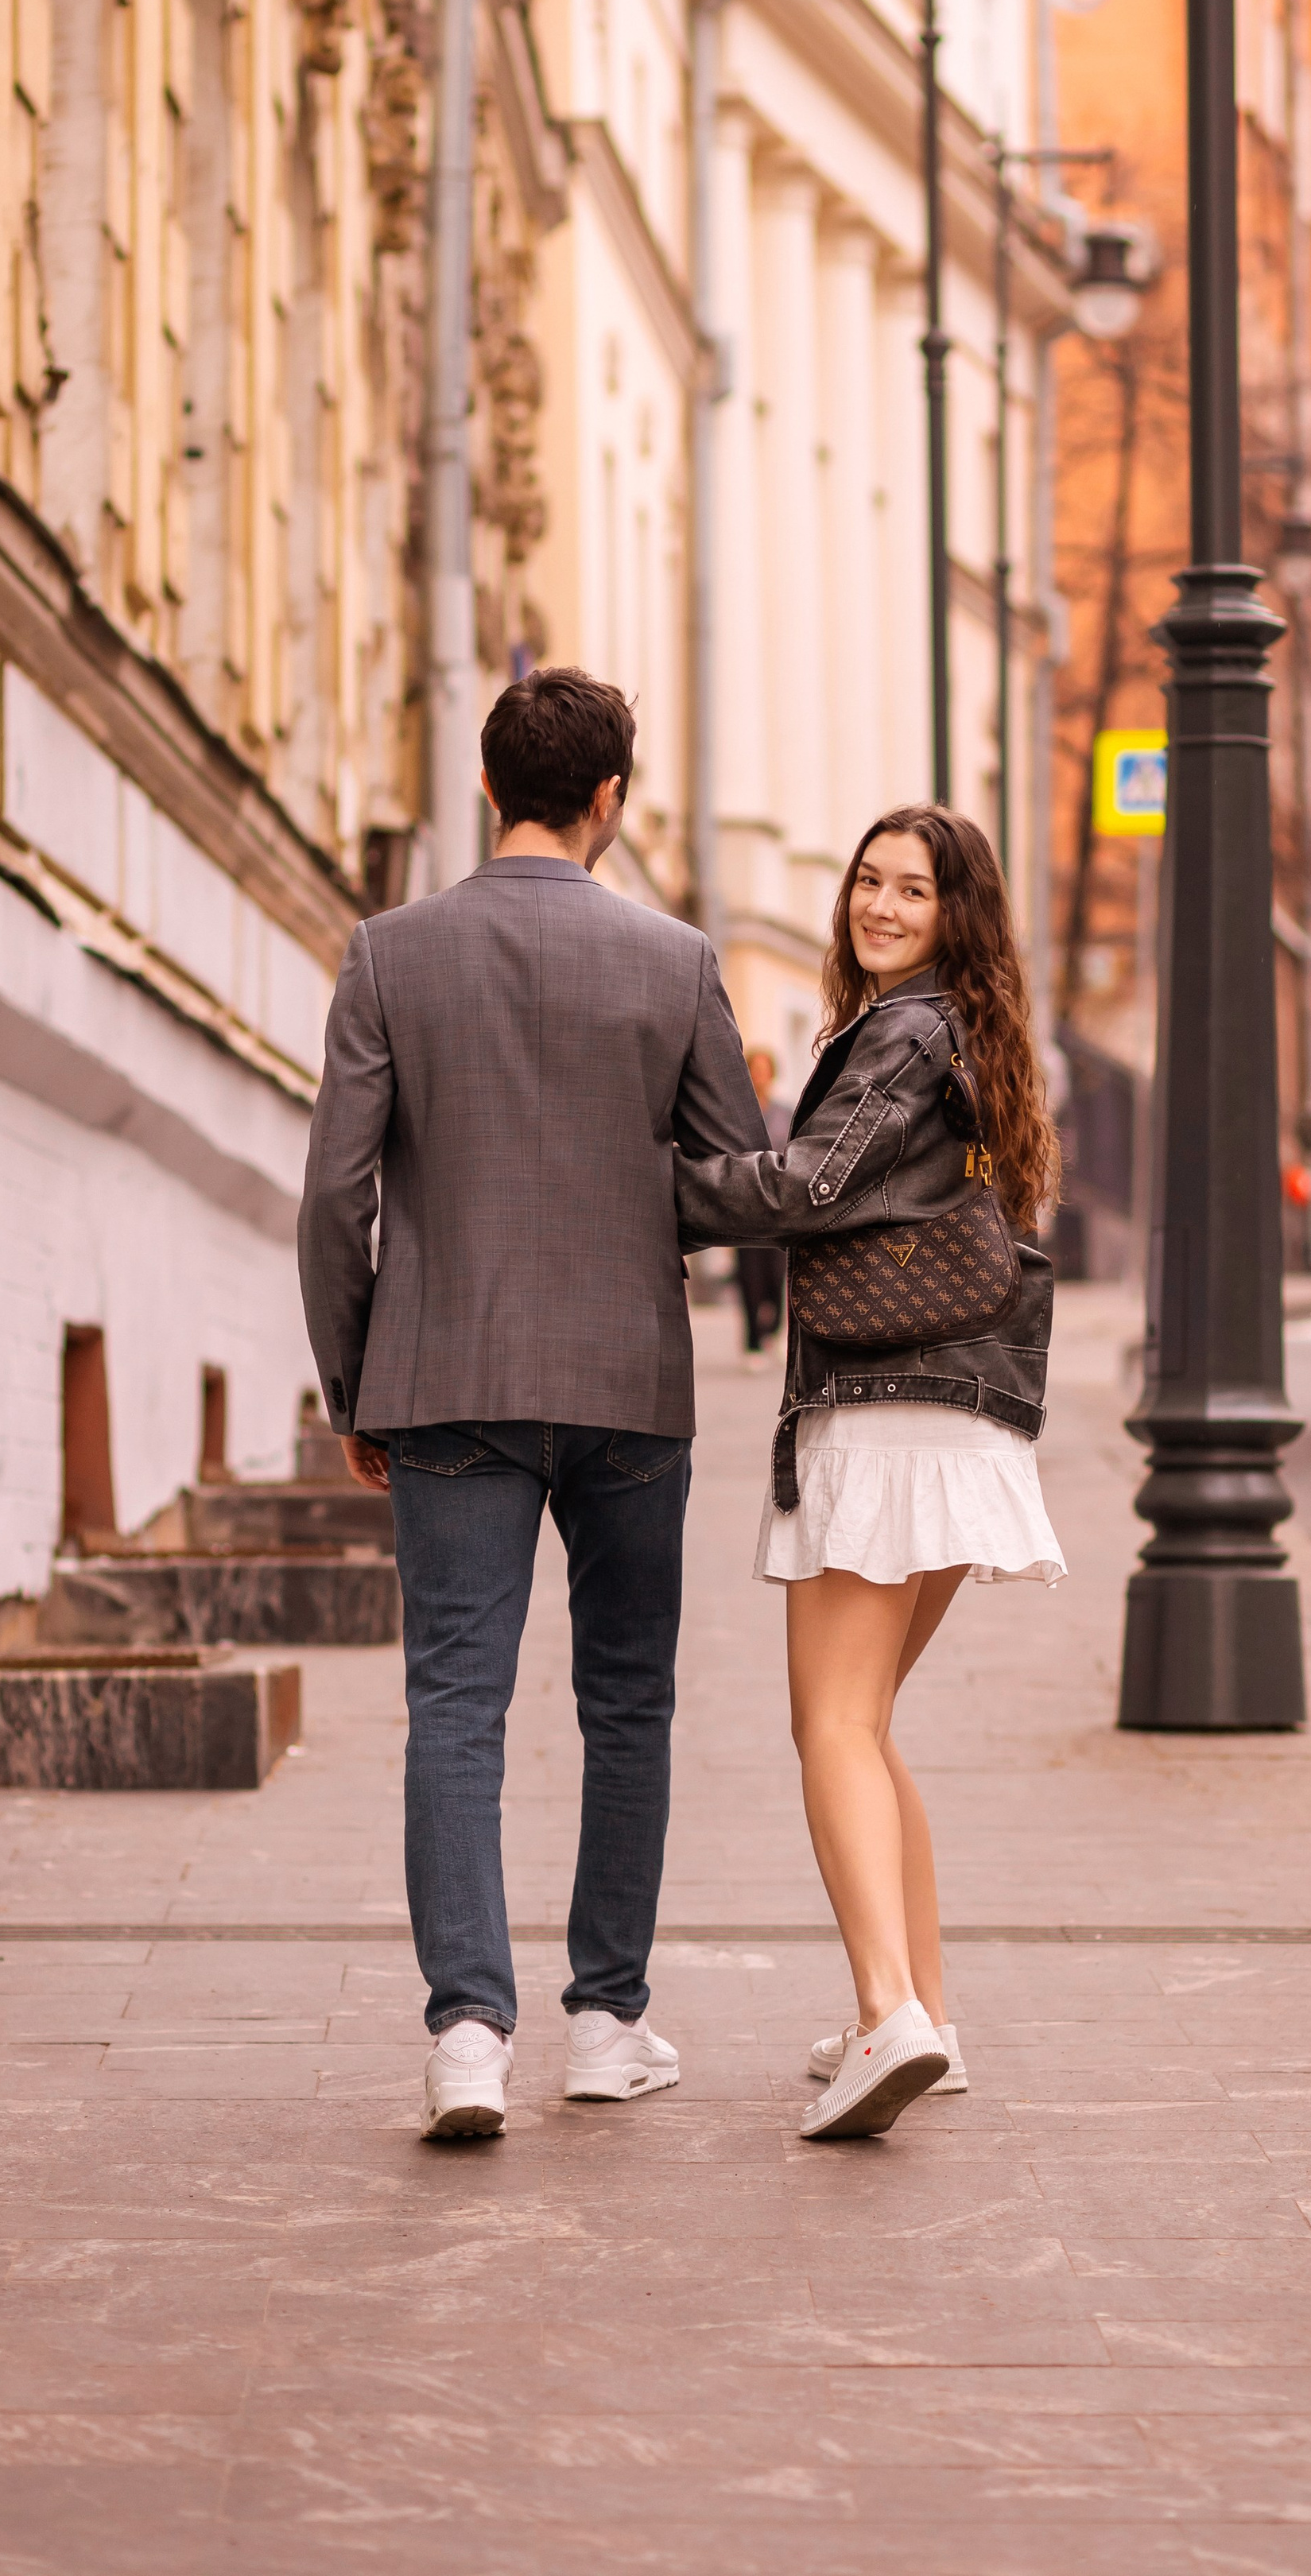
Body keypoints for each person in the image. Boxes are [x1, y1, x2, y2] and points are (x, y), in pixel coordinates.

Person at [297, 666, 766, 2142]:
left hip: (445, 1380)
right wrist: (621, 1187)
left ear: (487, 784)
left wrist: (356, 1378)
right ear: (610, 798)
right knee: (626, 1698)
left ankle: (464, 2034)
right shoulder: (678, 960)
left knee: (456, 1700)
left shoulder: (389, 953)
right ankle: (609, 2022)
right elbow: (734, 1179)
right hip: (628, 1377)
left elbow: (334, 1200)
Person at [675, 804, 1063, 2141]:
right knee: (870, 1722)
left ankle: (887, 2010)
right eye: (870, 879)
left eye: (915, 888)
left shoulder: (905, 1028)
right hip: (968, 1419)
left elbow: (812, 1184)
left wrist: (653, 1183)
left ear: (956, 913)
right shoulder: (977, 1031)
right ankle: (928, 2019)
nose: (883, 904)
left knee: (829, 1725)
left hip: (889, 1410)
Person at [731, 1049, 791, 1367]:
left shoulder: (785, 1112)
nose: (759, 1075)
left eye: (764, 1069)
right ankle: (753, 1342)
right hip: (744, 1205)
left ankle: (773, 1330)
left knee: (775, 1274)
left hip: (779, 1206)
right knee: (749, 1276)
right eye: (754, 1069)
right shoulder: (735, 1111)